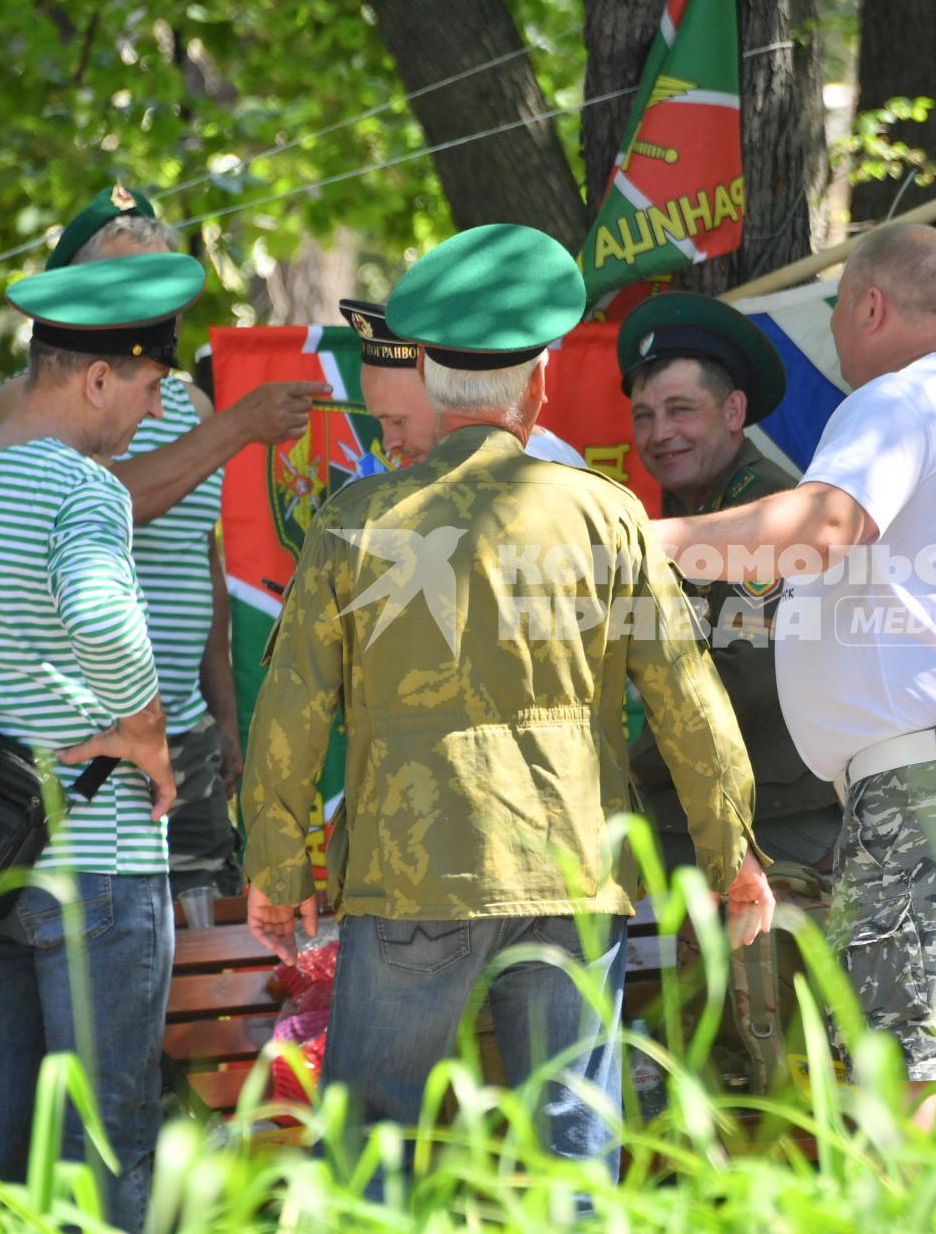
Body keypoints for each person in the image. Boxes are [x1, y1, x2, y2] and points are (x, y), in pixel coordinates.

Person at [240, 224, 775, 1180]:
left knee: (373, 1145)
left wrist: (279, 868)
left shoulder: (355, 522)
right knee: (573, 1142)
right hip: (570, 872)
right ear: (535, 386)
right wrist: (732, 851)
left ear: (434, 386)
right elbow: (690, 704)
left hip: (407, 873)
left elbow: (288, 715)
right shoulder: (607, 514)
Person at [649, 224, 936, 1161]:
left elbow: (819, 528)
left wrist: (643, 543)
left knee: (895, 1062)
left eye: (838, 307)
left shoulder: (899, 398)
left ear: (871, 305)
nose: (837, 331)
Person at [0, 252, 205, 1231]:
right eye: (152, 387)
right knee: (103, 1136)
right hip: (100, 867)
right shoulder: (85, 489)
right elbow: (100, 613)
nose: (153, 411)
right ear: (96, 379)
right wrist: (147, 730)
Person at [0, 185, 331, 898]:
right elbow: (111, 502)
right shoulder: (24, 403)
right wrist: (237, 427)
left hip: (186, 734)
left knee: (203, 946)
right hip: (88, 740)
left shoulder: (189, 404)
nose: (148, 303)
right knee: (105, 956)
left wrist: (225, 713)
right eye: (125, 283)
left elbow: (204, 563)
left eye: (158, 282)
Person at [619, 292, 841, 1092]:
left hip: (776, 835)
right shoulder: (697, 513)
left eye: (681, 409)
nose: (659, 434)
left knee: (768, 1076)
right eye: (644, 416)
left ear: (734, 409)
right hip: (717, 831)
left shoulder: (758, 518)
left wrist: (620, 769)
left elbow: (739, 687)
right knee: (715, 1060)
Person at [337, 296, 588, 468]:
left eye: (398, 420)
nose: (388, 443)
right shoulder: (553, 465)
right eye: (381, 422)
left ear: (438, 388)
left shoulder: (538, 466)